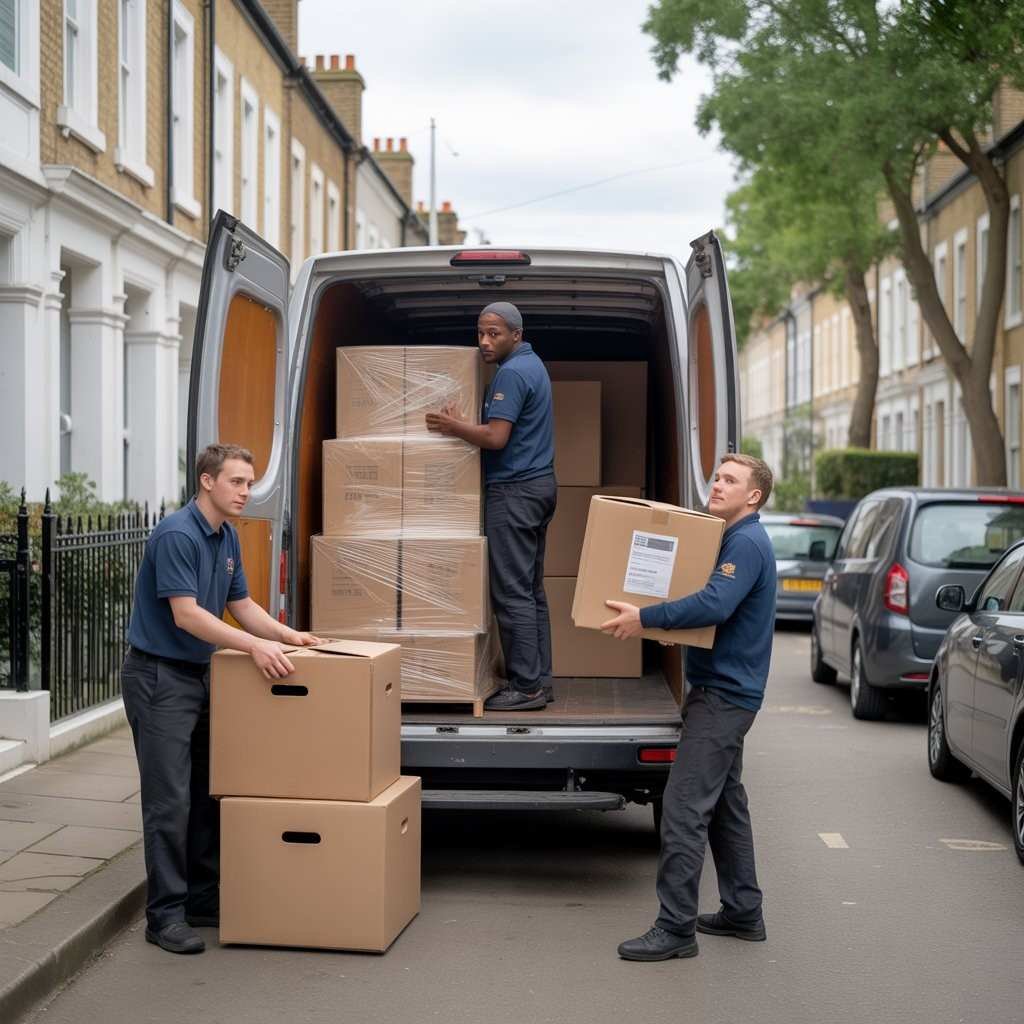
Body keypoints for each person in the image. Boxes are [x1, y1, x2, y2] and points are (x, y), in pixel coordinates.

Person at [121, 443, 320, 955]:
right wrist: (255, 646)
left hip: (200, 677)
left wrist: (288, 634)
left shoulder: (225, 536)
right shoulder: (177, 535)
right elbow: (187, 615)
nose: (246, 492)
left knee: (209, 794)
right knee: (170, 801)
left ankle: (201, 900)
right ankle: (164, 915)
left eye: (250, 483)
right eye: (237, 482)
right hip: (159, 679)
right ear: (207, 482)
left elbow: (241, 605)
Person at [601, 453, 777, 962]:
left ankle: (675, 928)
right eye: (717, 476)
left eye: (730, 480)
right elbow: (721, 614)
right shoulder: (734, 538)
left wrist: (647, 618)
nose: (717, 485)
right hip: (724, 691)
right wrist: (669, 629)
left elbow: (715, 604)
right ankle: (744, 911)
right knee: (725, 804)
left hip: (723, 698)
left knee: (682, 809)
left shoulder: (745, 542)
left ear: (754, 496)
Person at [425, 301, 556, 711]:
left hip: (515, 493)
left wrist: (452, 426)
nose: (484, 341)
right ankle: (539, 679)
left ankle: (527, 687)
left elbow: (496, 437)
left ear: (516, 334)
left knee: (511, 593)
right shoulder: (531, 365)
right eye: (480, 332)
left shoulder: (513, 373)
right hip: (537, 488)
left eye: (494, 333)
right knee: (531, 592)